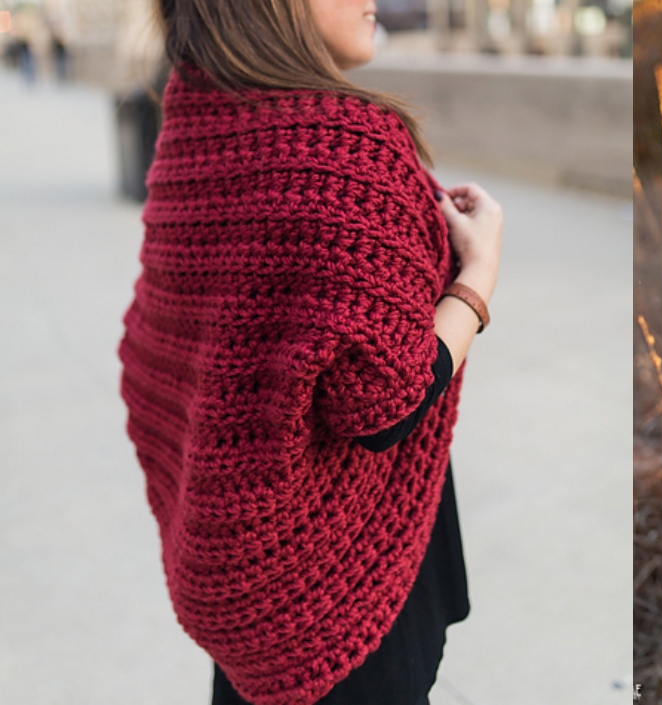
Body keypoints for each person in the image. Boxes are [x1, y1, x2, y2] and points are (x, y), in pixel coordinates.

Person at [117, 1, 502, 703]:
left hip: (242, 577)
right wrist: (477, 279)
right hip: (337, 585)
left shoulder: (195, 111)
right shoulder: (349, 144)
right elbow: (388, 402)